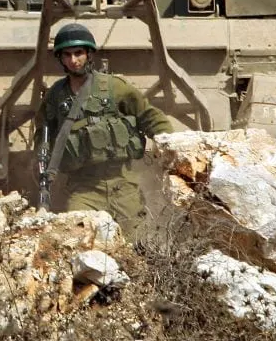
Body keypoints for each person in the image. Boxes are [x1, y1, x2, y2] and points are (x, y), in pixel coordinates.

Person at [35, 22, 173, 236]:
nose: (74, 60)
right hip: (83, 188)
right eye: (67, 55)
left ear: (89, 54)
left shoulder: (113, 87)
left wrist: (172, 145)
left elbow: (148, 115)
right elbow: (43, 133)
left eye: (79, 53)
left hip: (123, 184)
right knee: (79, 241)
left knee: (138, 244)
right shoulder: (56, 96)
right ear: (60, 59)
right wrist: (43, 171)